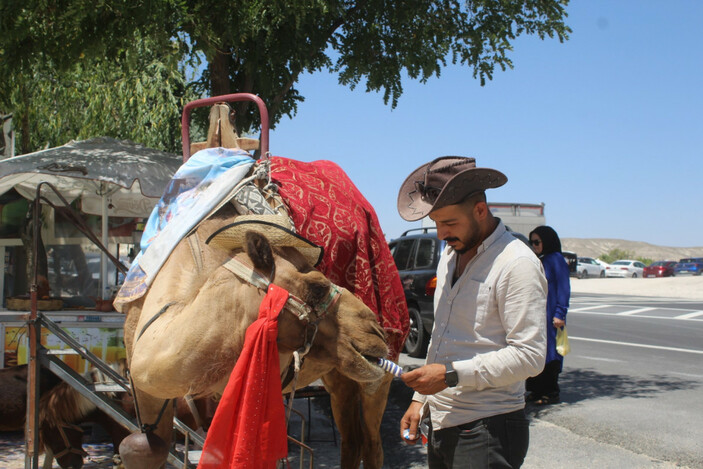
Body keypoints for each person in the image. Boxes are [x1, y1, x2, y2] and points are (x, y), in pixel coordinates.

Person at [397, 156, 547, 469]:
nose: (440, 234)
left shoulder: (516, 264)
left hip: (488, 429)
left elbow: (530, 356)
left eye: (449, 223)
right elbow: (442, 335)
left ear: (480, 210)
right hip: (443, 423)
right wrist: (420, 399)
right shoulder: (450, 257)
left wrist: (450, 375)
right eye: (436, 223)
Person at [526, 225, 570, 405]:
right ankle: (536, 391)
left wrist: (560, 313)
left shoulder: (556, 260)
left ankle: (550, 393)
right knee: (537, 352)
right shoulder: (541, 259)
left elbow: (563, 289)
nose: (534, 245)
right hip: (538, 316)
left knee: (551, 354)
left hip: (551, 317)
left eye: (537, 242)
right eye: (532, 242)